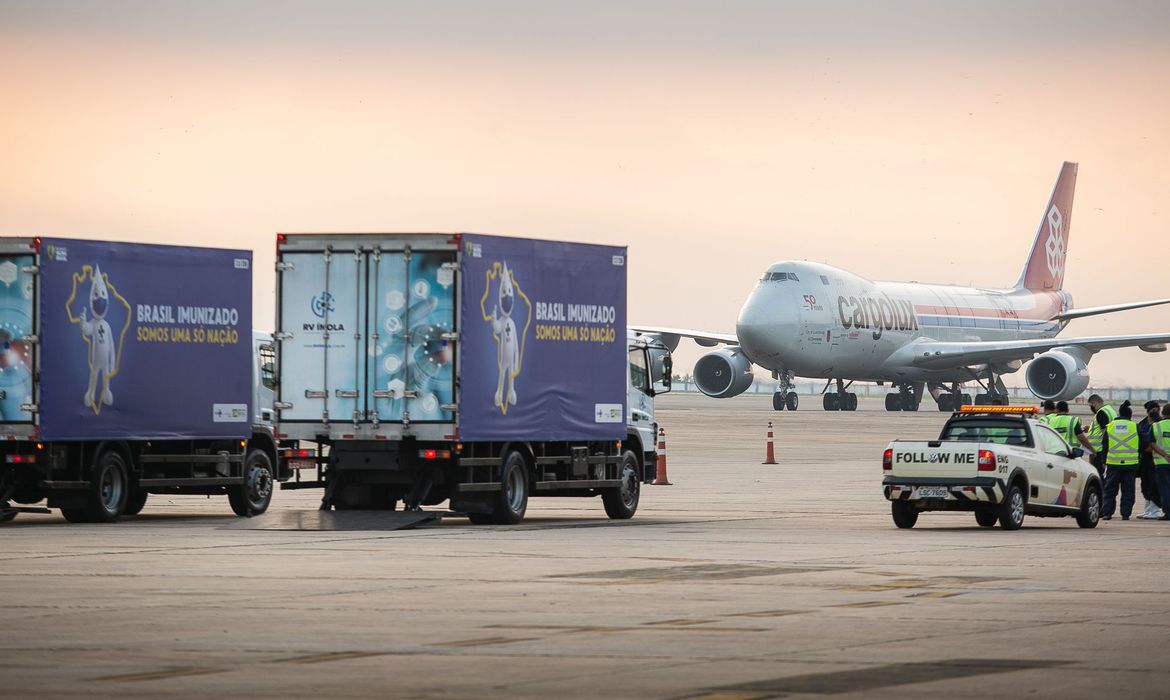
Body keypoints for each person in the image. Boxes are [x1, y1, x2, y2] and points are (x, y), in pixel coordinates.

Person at [1102, 401, 1141, 521]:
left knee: (1110, 490)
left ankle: (1108, 513)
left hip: (1113, 463)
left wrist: (1104, 461)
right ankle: (1125, 514)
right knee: (1128, 490)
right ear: (1129, 415)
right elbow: (1143, 443)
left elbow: (1105, 445)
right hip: (1130, 464)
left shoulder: (1110, 427)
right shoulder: (1135, 426)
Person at [1136, 400, 1165, 519]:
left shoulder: (1160, 423)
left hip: (1156, 458)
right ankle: (1148, 509)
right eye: (1152, 409)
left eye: (1157, 409)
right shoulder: (1142, 423)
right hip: (1144, 459)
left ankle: (1155, 509)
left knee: (1154, 485)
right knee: (1145, 485)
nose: (1155, 411)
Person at [1086, 394, 1118, 474]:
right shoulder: (1110, 410)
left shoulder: (1101, 413)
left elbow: (1105, 431)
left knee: (1098, 474)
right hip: (1108, 447)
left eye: (1091, 406)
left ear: (1095, 403)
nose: (1091, 409)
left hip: (1099, 449)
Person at [1153, 404, 1170, 521]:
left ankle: (1168, 513)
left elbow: (1150, 443)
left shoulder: (1156, 426)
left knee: (1165, 489)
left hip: (1162, 462)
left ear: (1163, 414)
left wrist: (1164, 454)